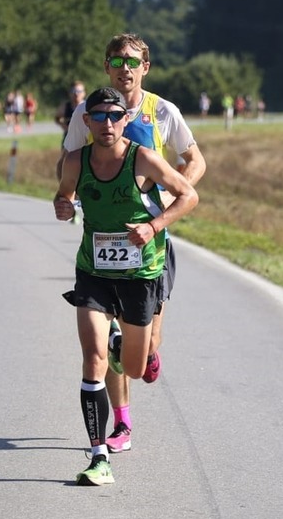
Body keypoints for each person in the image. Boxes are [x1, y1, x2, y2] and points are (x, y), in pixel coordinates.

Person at [59, 33, 206, 455]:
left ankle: (140, 353)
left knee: (142, 347)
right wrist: (67, 198)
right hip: (103, 238)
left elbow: (195, 161)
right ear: (107, 66)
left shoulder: (162, 111)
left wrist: (162, 198)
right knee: (104, 341)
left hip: (151, 237)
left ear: (146, 67)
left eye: (133, 60)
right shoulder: (90, 112)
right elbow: (67, 160)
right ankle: (120, 422)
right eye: (117, 60)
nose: (125, 67)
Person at [54, 81, 86, 179]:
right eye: (73, 91)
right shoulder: (66, 106)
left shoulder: (87, 106)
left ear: (84, 93)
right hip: (69, 138)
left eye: (79, 91)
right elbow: (57, 117)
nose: (76, 94)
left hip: (85, 138)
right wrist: (64, 126)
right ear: (70, 93)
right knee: (65, 162)